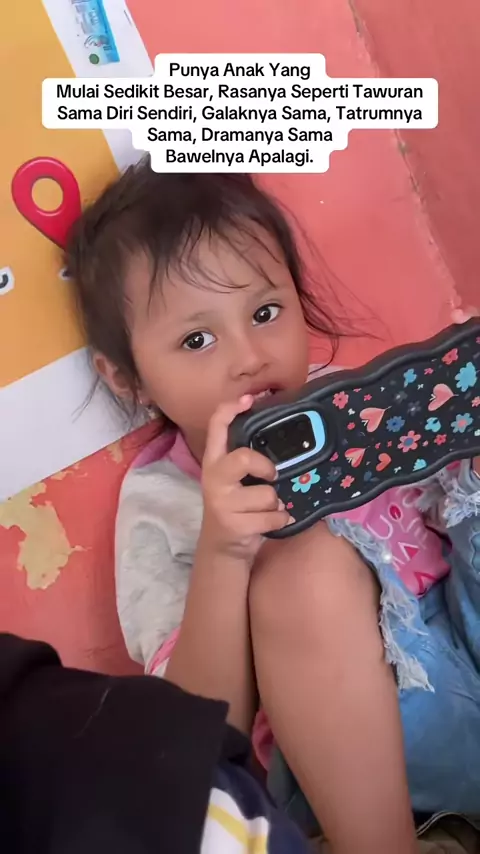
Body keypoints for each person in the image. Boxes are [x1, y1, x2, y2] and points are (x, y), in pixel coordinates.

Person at [65, 159, 480, 854]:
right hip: (374, 743)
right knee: (301, 571)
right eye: (197, 340)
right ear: (128, 376)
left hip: (466, 638)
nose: (250, 356)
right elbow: (201, 737)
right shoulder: (163, 504)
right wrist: (225, 551)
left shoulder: (351, 402)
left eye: (265, 313)